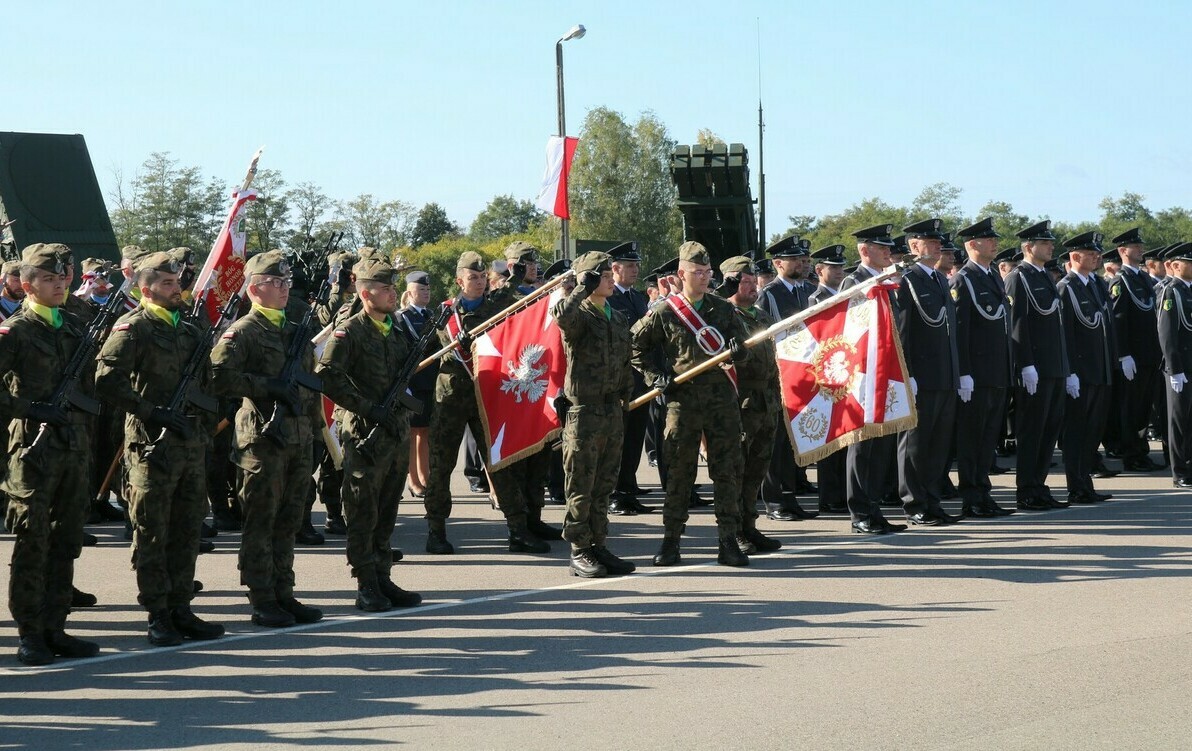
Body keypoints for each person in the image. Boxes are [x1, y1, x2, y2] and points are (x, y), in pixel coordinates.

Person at [95, 252, 225, 646]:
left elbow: (209, 379)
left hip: (189, 442)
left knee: (187, 530)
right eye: (167, 284)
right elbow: (106, 380)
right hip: (152, 445)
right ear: (145, 287)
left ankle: (181, 606)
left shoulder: (188, 329)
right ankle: (157, 614)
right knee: (153, 532)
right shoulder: (132, 327)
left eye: (177, 282)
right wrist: (152, 412)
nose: (176, 289)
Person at [209, 250, 324, 628]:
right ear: (254, 289)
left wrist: (314, 428)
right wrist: (267, 387)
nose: (282, 289)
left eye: (286, 282)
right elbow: (219, 378)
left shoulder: (294, 329)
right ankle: (261, 597)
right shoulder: (242, 331)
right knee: (261, 519)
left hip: (297, 436)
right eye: (274, 283)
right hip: (261, 438)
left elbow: (308, 385)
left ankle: (284, 591)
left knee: (289, 518)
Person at [0, 243, 101, 665]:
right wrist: (30, 408)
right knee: (33, 541)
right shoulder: (15, 331)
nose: (58, 284)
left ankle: (56, 625)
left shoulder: (76, 329)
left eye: (63, 278)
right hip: (33, 450)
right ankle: (30, 632)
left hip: (73, 449)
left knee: (66, 540)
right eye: (47, 278)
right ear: (26, 285)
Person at [631, 241, 750, 567]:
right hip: (682, 404)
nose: (704, 277)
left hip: (721, 403)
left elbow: (744, 349)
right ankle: (671, 542)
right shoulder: (664, 311)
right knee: (679, 475)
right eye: (698, 272)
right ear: (682, 274)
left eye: (707, 272)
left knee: (727, 473)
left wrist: (739, 350)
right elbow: (635, 347)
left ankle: (728, 541)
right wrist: (655, 376)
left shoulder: (722, 309)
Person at [423, 247, 549, 554]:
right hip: (450, 399)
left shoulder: (496, 305)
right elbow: (425, 350)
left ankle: (517, 530)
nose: (478, 282)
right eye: (472, 277)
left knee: (500, 463)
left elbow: (517, 297)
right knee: (441, 467)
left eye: (482, 277)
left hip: (485, 397)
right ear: (459, 280)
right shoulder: (441, 315)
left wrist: (518, 271)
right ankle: (436, 531)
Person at [316, 257, 423, 611]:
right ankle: (365, 583)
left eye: (394, 288)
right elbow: (328, 376)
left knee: (388, 506)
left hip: (395, 430)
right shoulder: (350, 331)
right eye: (386, 289)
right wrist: (365, 407)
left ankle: (382, 575)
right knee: (363, 509)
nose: (393, 294)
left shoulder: (397, 327)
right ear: (365, 293)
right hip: (365, 431)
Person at [551, 251, 637, 577]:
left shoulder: (616, 316)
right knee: (580, 484)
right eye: (602, 275)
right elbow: (561, 317)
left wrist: (626, 394)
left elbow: (624, 359)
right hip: (583, 411)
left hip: (611, 409)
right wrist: (579, 289)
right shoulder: (580, 315)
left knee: (604, 484)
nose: (611, 279)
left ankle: (598, 543)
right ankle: (578, 549)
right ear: (588, 280)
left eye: (609, 273)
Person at [895, 218, 962, 526]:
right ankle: (914, 503)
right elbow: (905, 331)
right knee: (916, 444)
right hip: (922, 374)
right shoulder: (907, 280)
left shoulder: (938, 280)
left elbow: (948, 331)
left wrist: (957, 372)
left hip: (945, 374)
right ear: (914, 246)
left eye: (939, 243)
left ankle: (932, 499)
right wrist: (908, 373)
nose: (938, 247)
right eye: (931, 242)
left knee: (938, 444)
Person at [840, 224, 907, 534]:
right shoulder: (853, 282)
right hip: (862, 376)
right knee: (862, 446)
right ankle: (860, 513)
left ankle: (873, 507)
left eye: (888, 248)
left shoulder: (883, 281)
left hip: (884, 374)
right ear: (864, 251)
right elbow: (846, 332)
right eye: (881, 248)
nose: (888, 252)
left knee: (880, 445)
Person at [718, 255, 783, 554]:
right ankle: (733, 533)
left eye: (752, 280)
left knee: (757, 469)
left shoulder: (762, 317)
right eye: (743, 281)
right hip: (740, 402)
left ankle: (749, 526)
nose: (752, 286)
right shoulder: (724, 316)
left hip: (765, 401)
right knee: (737, 470)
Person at [1006, 220, 1072, 511]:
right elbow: (1016, 323)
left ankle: (1039, 485)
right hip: (1035, 370)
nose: (1051, 247)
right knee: (1032, 431)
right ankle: (1026, 491)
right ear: (1029, 247)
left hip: (1054, 368)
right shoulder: (1018, 277)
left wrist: (1065, 368)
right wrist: (1026, 364)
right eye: (1045, 243)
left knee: (1048, 432)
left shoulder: (1045, 276)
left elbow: (1055, 326)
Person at [951, 218, 1015, 517]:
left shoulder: (990, 276)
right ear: (973, 244)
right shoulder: (963, 279)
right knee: (972, 438)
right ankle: (972, 496)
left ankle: (983, 493)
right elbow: (960, 329)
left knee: (988, 438)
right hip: (976, 374)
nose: (995, 244)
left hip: (996, 371)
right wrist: (963, 371)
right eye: (989, 240)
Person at [757, 235, 816, 520]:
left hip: (805, 376)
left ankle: (790, 496)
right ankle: (774, 500)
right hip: (780, 377)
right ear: (778, 264)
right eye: (794, 259)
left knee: (795, 442)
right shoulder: (769, 294)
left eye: (804, 259)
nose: (802, 264)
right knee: (776, 442)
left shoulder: (807, 291)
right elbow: (762, 338)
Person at [1056, 233, 1115, 503]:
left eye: (1097, 253)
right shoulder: (1067, 287)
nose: (1096, 257)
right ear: (1075, 257)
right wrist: (1070, 372)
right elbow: (1065, 332)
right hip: (1081, 370)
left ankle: (1085, 482)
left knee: (1093, 431)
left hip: (1100, 368)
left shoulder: (1096, 284)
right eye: (1090, 253)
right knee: (1077, 431)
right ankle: (1076, 485)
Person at [1107, 228, 1164, 472]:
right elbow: (1118, 319)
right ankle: (1132, 454)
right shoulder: (1121, 281)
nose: (1141, 250)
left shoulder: (1141, 278)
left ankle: (1141, 452)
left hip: (1150, 354)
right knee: (1131, 407)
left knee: (1143, 407)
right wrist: (1123, 354)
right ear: (1123, 251)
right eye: (1135, 247)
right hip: (1133, 356)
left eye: (1140, 246)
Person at [606, 241, 654, 515]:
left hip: (640, 380)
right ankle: (614, 494)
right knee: (618, 440)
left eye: (637, 265)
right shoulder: (607, 298)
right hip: (618, 380)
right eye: (630, 265)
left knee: (634, 438)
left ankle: (627, 489)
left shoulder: (637, 298)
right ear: (615, 269)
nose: (636, 269)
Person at [807, 246, 849, 514]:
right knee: (829, 441)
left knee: (844, 437)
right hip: (826, 377)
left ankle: (841, 493)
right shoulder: (816, 299)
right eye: (833, 267)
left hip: (844, 373)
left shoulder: (846, 295)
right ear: (819, 270)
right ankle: (830, 496)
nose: (839, 271)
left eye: (840, 267)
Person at [397, 271, 437, 498]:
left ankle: (425, 476)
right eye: (422, 290)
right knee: (413, 433)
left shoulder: (432, 315)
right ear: (410, 293)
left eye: (428, 290)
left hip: (430, 381)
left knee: (426, 432)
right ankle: (413, 480)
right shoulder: (403, 318)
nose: (426, 293)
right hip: (414, 382)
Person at [1157, 243, 1192, 487]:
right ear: (1177, 266)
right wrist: (1174, 369)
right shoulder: (1172, 292)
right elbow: (1167, 333)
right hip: (1181, 366)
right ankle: (1179, 472)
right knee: (1179, 421)